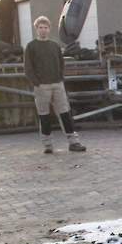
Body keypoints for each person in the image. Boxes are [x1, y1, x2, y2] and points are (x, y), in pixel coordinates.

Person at [24, 16, 86, 153]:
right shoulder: (31, 46)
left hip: (57, 84)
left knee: (65, 113)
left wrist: (60, 78)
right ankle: (47, 145)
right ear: (36, 29)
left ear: (49, 29)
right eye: (40, 27)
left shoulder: (54, 46)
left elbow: (61, 63)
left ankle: (73, 141)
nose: (43, 30)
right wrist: (36, 83)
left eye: (45, 27)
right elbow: (28, 67)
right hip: (41, 86)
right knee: (44, 115)